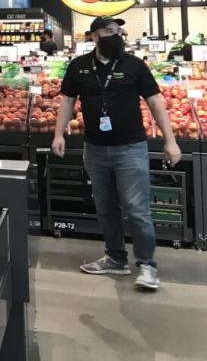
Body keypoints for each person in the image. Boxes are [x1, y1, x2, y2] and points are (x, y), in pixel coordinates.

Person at [54, 17, 181, 291]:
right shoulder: (78, 67)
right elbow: (67, 100)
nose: (116, 35)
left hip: (130, 148)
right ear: (94, 36)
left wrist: (170, 140)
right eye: (109, 31)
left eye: (118, 31)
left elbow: (155, 102)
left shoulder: (134, 65)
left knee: (137, 210)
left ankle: (147, 266)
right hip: (95, 149)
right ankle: (115, 257)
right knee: (105, 208)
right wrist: (58, 133)